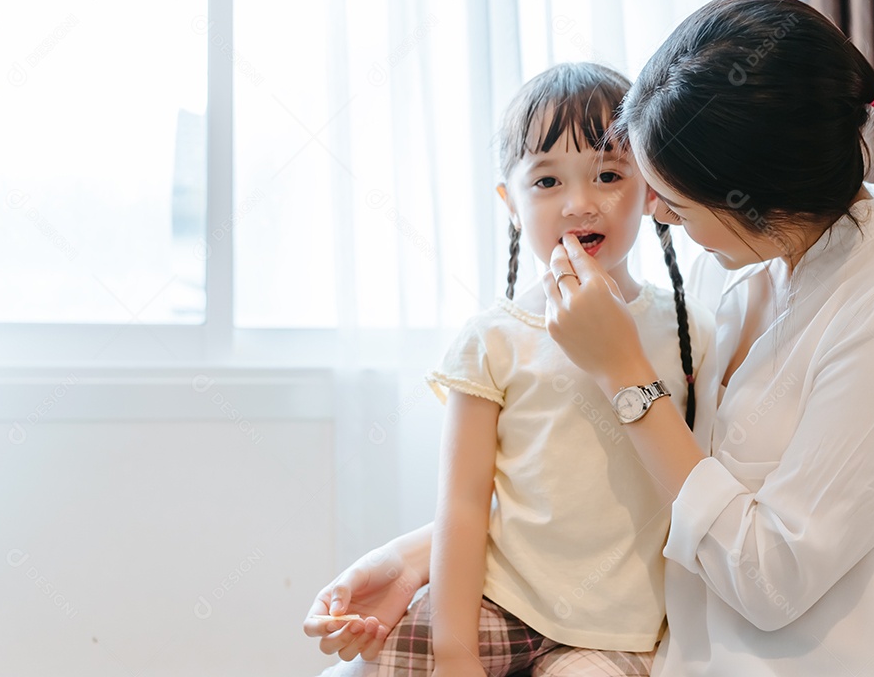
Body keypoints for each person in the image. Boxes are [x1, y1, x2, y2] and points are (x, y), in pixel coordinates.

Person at [306, 0, 874, 676]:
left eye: (673, 201)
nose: (657, 215)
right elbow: (622, 484)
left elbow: (772, 581)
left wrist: (624, 376)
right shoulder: (739, 264)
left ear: (756, 193)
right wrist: (418, 556)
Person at [306, 62, 715, 676]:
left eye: (608, 175)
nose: (579, 204)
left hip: (619, 631)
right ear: (511, 204)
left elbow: (698, 492)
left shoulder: (691, 333)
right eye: (547, 181)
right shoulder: (492, 339)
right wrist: (454, 653)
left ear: (652, 190)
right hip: (498, 600)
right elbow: (464, 505)